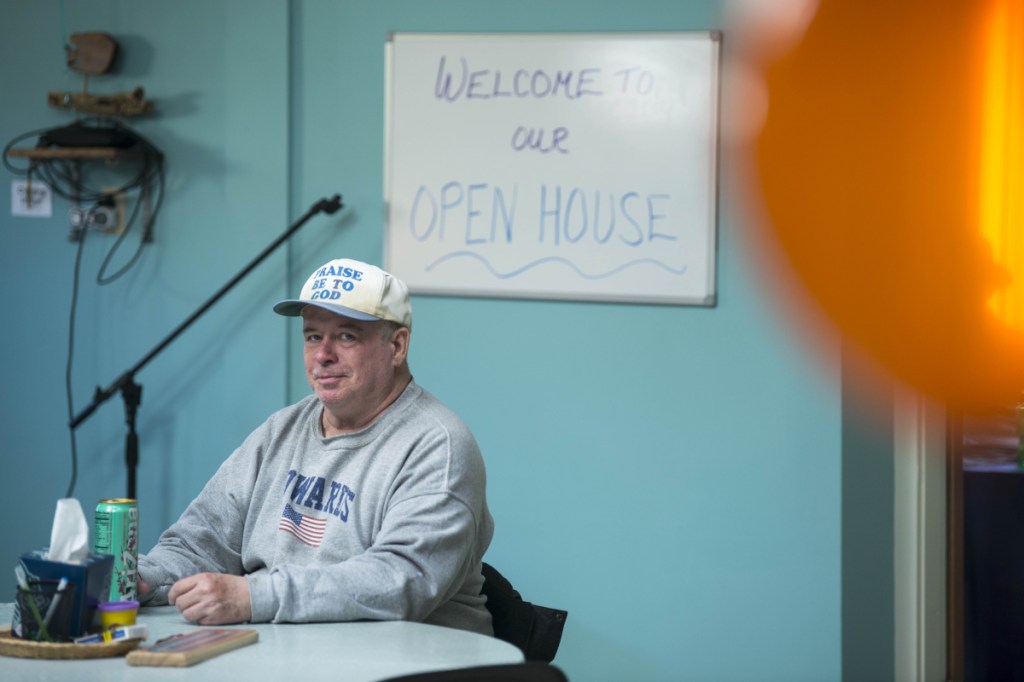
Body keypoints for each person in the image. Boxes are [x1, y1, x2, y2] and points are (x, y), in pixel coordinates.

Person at [137, 258, 495, 635]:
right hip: (291, 655)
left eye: (346, 336)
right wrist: (142, 577)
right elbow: (201, 541)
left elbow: (401, 580)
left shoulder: (439, 446)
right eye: (312, 336)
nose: (323, 354)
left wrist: (254, 596)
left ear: (397, 346)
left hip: (415, 666)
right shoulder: (280, 431)